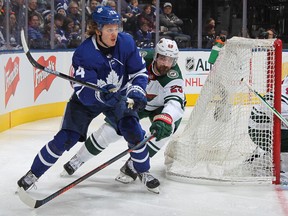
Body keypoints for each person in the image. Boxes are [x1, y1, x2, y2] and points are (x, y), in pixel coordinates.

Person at [17, 6, 160, 194]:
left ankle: (143, 171)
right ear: (98, 29)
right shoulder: (84, 53)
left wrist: (137, 92)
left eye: (116, 28)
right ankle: (32, 174)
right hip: (87, 102)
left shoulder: (126, 43)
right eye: (109, 29)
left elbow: (139, 72)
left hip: (117, 97)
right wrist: (100, 94)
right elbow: (83, 91)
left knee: (133, 129)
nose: (114, 33)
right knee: (65, 138)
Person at [61, 38, 185, 189]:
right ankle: (78, 159)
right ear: (156, 56)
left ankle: (133, 166)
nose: (166, 63)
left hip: (161, 107)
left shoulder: (174, 76)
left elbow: (175, 102)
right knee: (111, 130)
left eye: (170, 60)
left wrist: (166, 117)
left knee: (163, 131)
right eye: (163, 58)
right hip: (137, 100)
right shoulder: (142, 58)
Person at [248, 76, 288, 182]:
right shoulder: (283, 99)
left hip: (264, 126)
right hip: (262, 131)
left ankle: (261, 156)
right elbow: (271, 106)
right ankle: (280, 169)